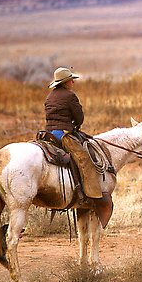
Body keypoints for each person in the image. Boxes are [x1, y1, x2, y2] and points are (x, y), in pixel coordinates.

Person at [45, 67, 113, 227]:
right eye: (71, 79)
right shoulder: (69, 96)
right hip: (64, 134)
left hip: (48, 134)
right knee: (85, 160)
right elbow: (79, 117)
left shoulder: (49, 96)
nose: (73, 82)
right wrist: (75, 125)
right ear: (65, 82)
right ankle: (91, 196)